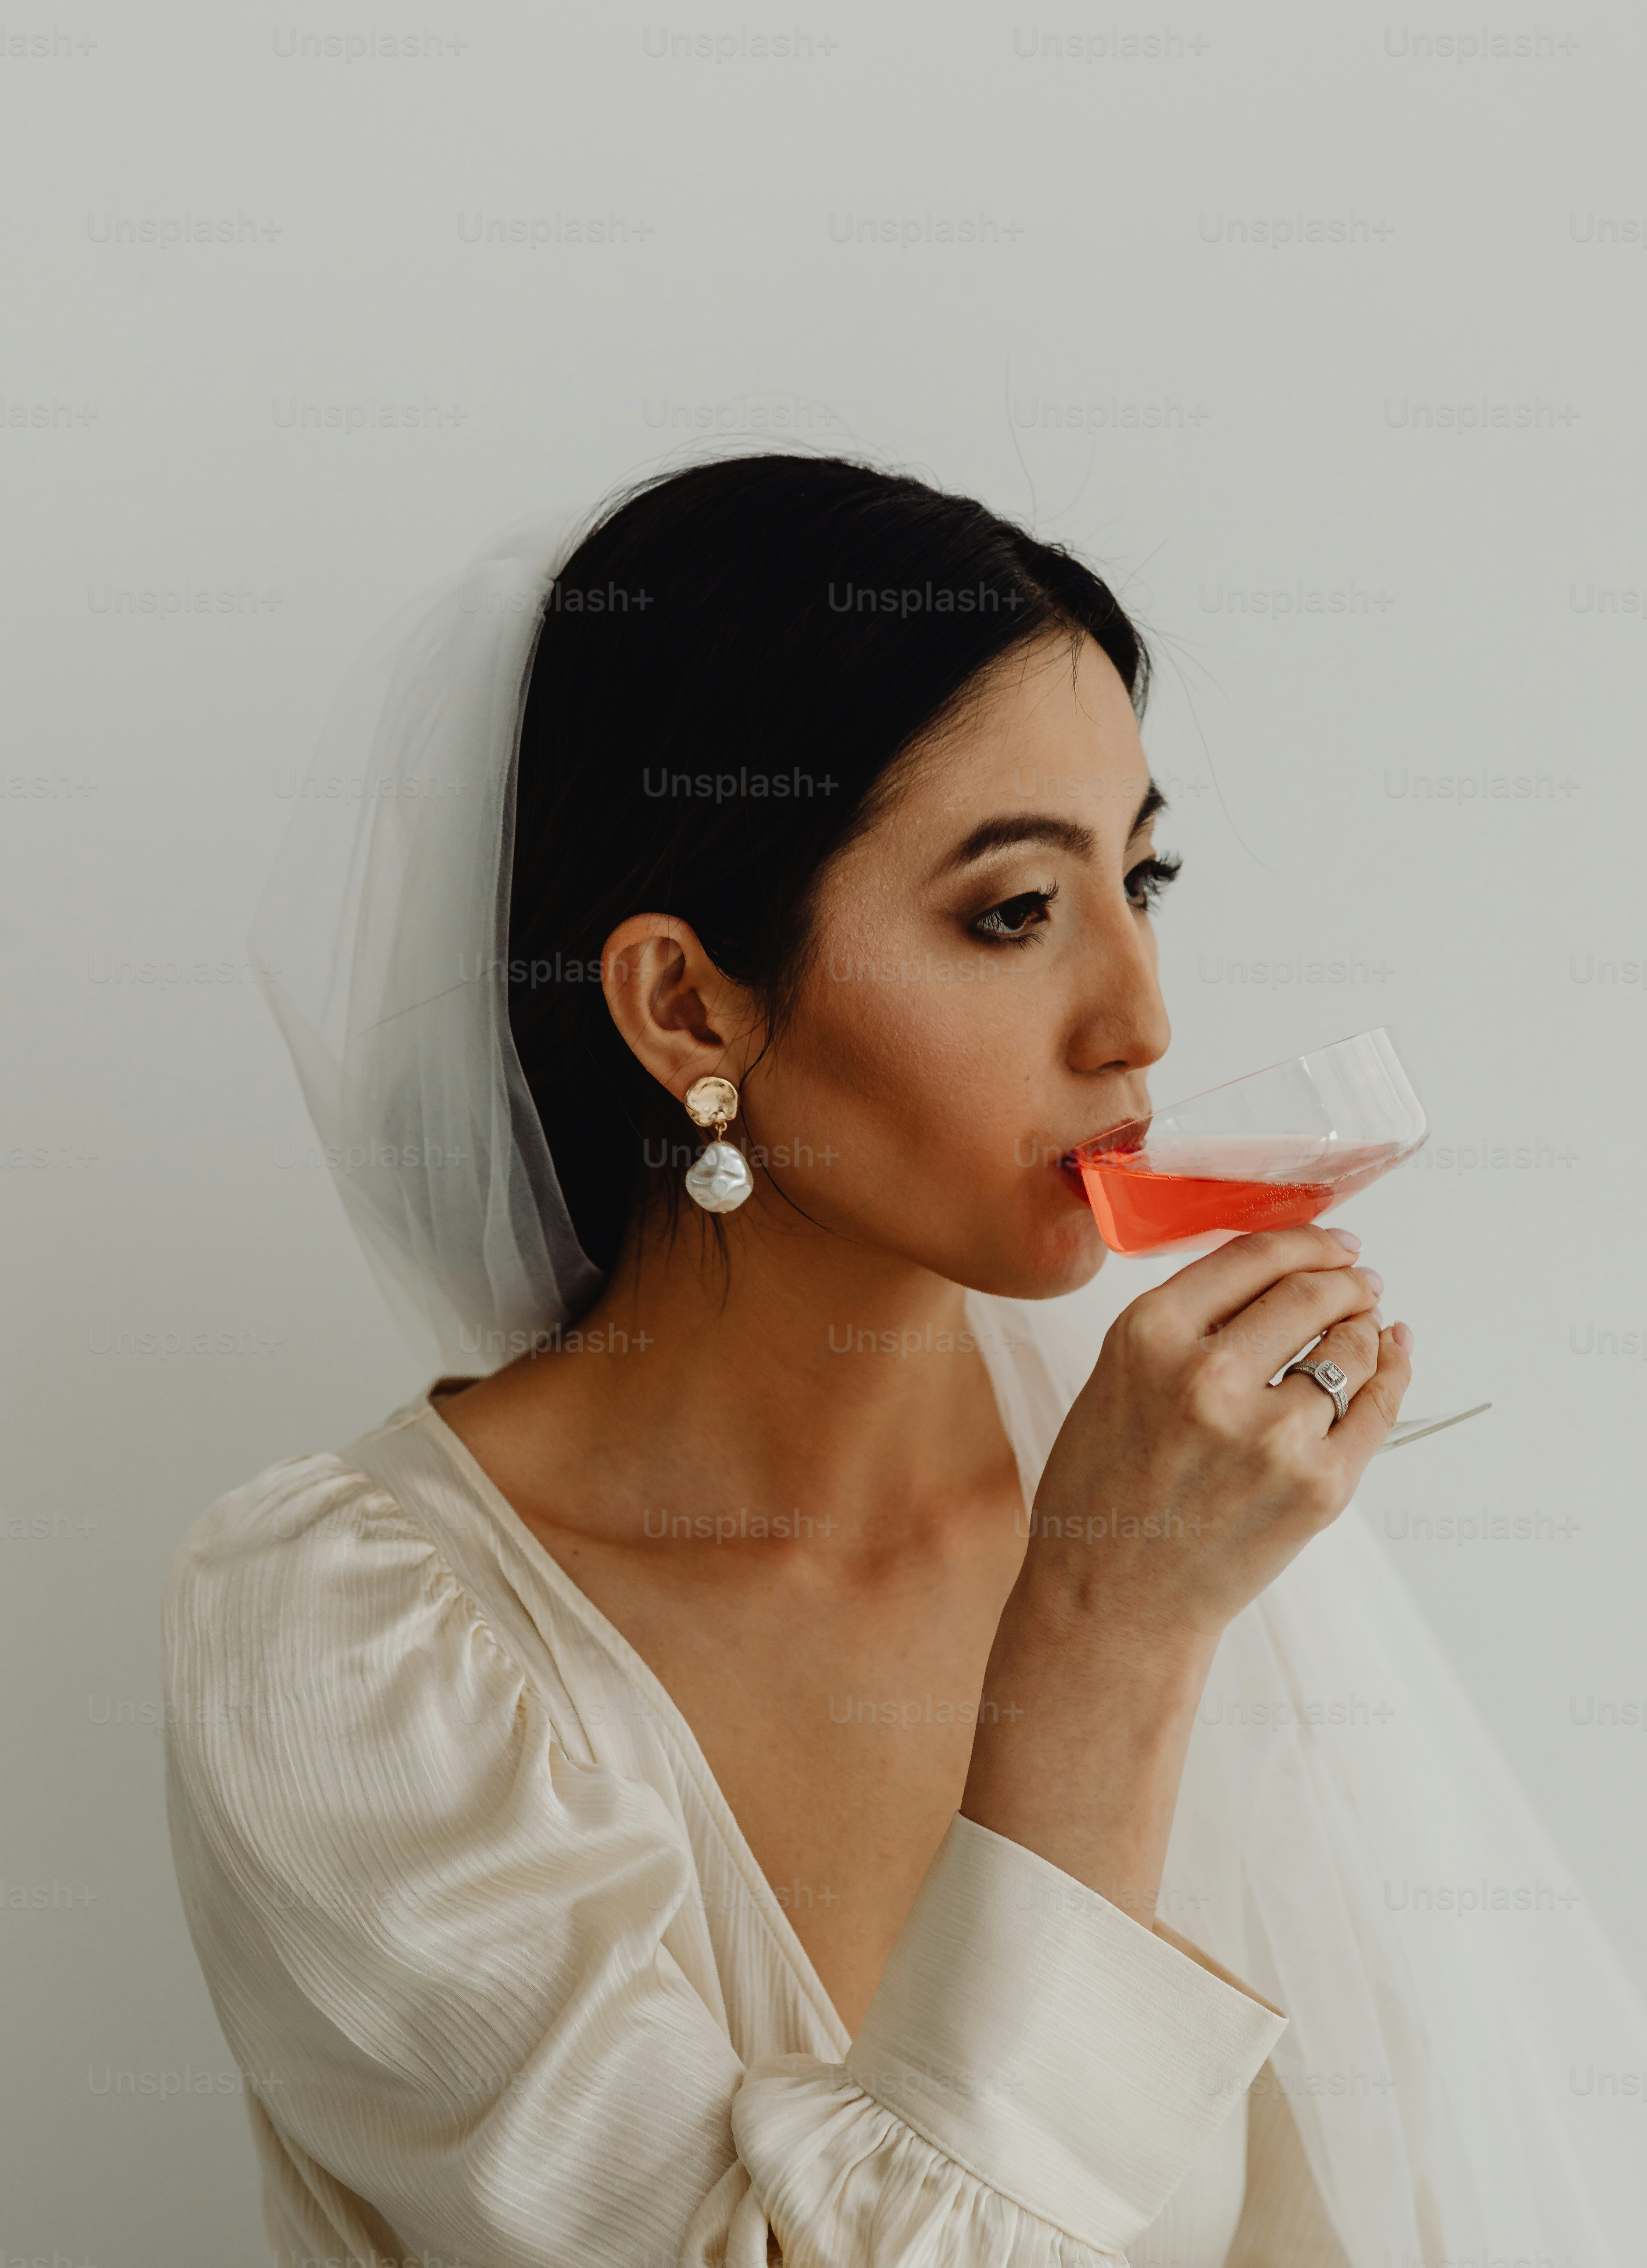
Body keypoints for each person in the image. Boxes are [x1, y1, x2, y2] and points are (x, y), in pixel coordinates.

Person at [163, 454, 1643, 2268]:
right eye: (1014, 914)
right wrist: (1104, 1643)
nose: (1142, 1019)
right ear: (688, 1008)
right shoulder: (350, 1646)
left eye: (1144, 874)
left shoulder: (1167, 1474)